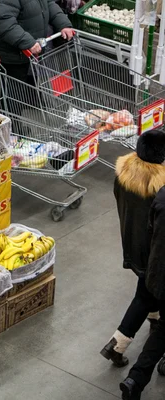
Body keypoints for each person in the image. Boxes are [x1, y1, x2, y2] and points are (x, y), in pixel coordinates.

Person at [100, 130, 165, 369]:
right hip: (156, 254)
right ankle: (117, 345)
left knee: (147, 292)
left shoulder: (123, 174)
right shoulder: (160, 187)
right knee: (145, 294)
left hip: (132, 246)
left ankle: (153, 319)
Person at [121, 134, 165, 399]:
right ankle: (136, 378)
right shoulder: (158, 186)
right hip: (155, 265)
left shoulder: (161, 195)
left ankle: (131, 374)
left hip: (152, 264)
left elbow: (150, 227)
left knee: (144, 300)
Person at [0, 0, 74, 84]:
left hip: (31, 52)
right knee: (15, 92)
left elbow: (49, 3)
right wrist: (28, 42)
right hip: (14, 56)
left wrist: (63, 24)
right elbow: (2, 22)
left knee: (29, 89)